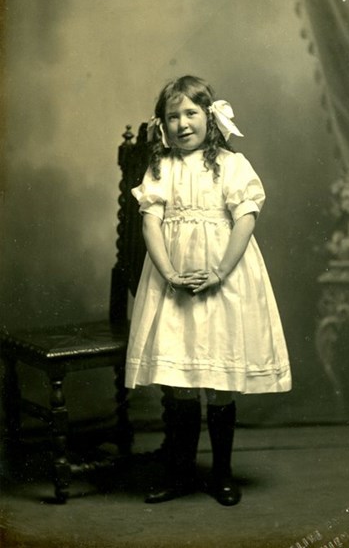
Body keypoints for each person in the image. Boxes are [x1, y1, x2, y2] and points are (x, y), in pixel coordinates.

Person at [125, 75, 291, 506]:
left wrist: (219, 272)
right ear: (162, 125)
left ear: (210, 116)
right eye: (172, 116)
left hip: (223, 280)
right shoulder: (162, 168)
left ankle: (221, 474)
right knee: (180, 382)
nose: (182, 124)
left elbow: (246, 218)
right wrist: (168, 273)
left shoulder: (232, 165)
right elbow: (149, 222)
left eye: (191, 113)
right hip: (174, 280)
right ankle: (180, 473)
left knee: (218, 381)